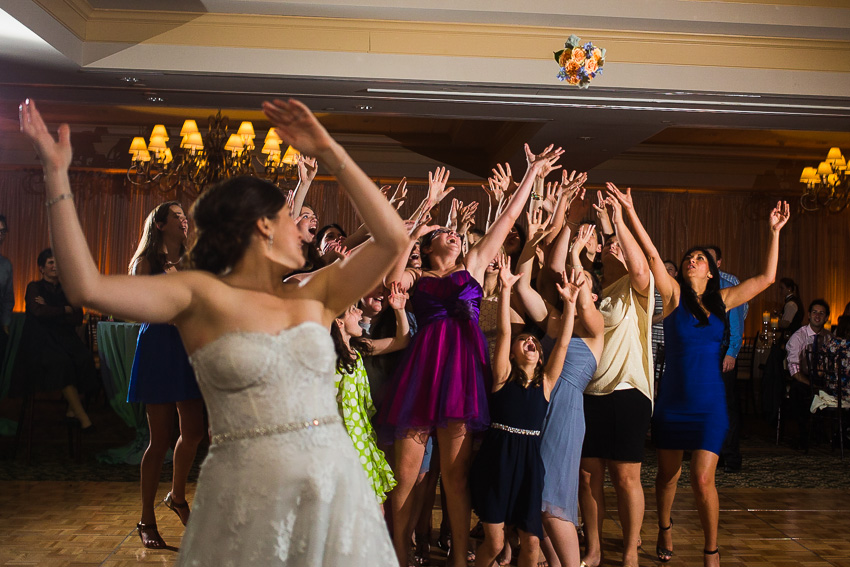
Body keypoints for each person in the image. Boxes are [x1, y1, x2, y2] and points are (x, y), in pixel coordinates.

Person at [20, 96, 407, 566]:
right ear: (264, 226)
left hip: (330, 486)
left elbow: (394, 240)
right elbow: (86, 287)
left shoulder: (317, 292)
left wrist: (329, 150)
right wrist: (56, 174)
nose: (303, 232)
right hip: (243, 494)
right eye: (293, 221)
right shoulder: (199, 295)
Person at [378, 149, 563, 567]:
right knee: (406, 477)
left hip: (461, 377)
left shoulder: (474, 266)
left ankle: (461, 559)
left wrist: (531, 174)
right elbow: (392, 278)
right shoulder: (417, 275)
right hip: (422, 375)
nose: (454, 235)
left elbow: (503, 223)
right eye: (444, 233)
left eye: (455, 233)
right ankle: (397, 556)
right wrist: (423, 214)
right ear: (426, 248)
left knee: (455, 478)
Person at [609, 184, 789, 567]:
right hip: (673, 400)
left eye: (700, 258)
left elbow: (768, 279)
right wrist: (627, 212)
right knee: (668, 477)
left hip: (710, 403)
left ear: (712, 270)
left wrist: (774, 232)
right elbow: (653, 254)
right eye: (689, 256)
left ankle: (711, 549)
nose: (692, 260)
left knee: (703, 479)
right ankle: (664, 526)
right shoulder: (672, 294)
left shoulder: (723, 300)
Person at [470, 259, 581, 567]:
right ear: (514, 353)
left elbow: (562, 344)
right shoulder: (503, 375)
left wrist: (570, 305)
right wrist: (505, 289)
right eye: (524, 341)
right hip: (497, 459)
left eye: (533, 340)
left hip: (529, 463)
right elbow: (505, 331)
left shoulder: (545, 383)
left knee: (532, 543)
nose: (529, 341)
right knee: (493, 542)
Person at [577, 188, 653, 567]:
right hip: (590, 393)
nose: (614, 250)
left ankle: (628, 551)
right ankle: (592, 549)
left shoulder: (637, 291)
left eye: (619, 248)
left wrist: (620, 220)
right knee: (588, 478)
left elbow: (641, 269)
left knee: (625, 479)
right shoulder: (594, 292)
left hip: (627, 392)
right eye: (609, 248)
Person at [126, 201, 206, 549]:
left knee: (195, 431)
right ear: (159, 225)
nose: (183, 220)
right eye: (176, 216)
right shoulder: (146, 263)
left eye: (183, 216)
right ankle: (146, 516)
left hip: (187, 347)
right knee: (158, 440)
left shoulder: (192, 261)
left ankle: (176, 496)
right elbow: (135, 305)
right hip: (159, 345)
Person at [330, 283, 411, 507]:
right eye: (352, 310)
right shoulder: (324, 358)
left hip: (362, 439)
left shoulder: (359, 349)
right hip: (338, 444)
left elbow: (402, 340)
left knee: (374, 509)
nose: (358, 312)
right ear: (338, 321)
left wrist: (399, 310)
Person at [12, 248, 97, 427]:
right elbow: (38, 312)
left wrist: (51, 308)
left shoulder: (68, 289)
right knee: (62, 362)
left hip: (65, 338)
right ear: (42, 268)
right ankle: (83, 417)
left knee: (85, 358)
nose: (55, 266)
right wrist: (63, 309)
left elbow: (77, 318)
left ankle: (71, 409)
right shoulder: (34, 287)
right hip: (41, 340)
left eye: (57, 263)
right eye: (51, 263)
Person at [705, 245, 748, 473]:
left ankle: (731, 457)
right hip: (704, 353)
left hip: (723, 353)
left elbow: (737, 324)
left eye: (711, 259)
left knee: (726, 406)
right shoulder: (697, 286)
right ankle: (714, 456)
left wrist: (731, 352)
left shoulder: (729, 286)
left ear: (719, 262)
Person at [784, 299, 831, 452]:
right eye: (815, 312)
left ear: (826, 318)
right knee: (798, 391)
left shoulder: (830, 338)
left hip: (824, 378)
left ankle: (834, 435)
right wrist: (812, 385)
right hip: (803, 378)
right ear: (809, 316)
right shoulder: (799, 336)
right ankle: (803, 436)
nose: (817, 316)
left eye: (821, 313)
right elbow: (794, 369)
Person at [0, 215, 13, 362]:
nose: (0, 235)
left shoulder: (6, 265)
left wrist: (5, 323)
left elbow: (8, 298)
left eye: (3, 231)